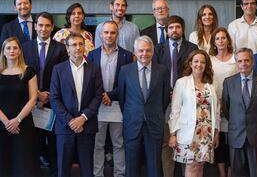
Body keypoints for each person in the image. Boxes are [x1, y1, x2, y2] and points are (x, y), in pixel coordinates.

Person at [50, 32, 104, 177]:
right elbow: (54, 99)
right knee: (63, 169)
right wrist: (70, 120)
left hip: (87, 126)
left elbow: (98, 96)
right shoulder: (58, 69)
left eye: (81, 44)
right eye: (74, 45)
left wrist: (83, 118)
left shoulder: (94, 68)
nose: (78, 48)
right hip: (64, 127)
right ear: (67, 48)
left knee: (87, 169)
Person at [22, 12, 68, 176]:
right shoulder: (25, 47)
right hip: (31, 103)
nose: (43, 28)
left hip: (53, 102)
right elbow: (23, 74)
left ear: (52, 27)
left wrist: (48, 95)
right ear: (35, 26)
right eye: (40, 25)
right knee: (33, 144)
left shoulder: (60, 48)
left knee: (54, 145)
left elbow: (63, 75)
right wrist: (37, 94)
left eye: (47, 25)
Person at [118, 35, 170, 177]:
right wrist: (133, 113)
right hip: (132, 122)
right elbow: (122, 98)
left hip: (154, 122)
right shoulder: (125, 70)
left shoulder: (162, 71)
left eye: (147, 51)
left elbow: (165, 98)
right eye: (140, 51)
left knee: (154, 164)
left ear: (153, 52)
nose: (144, 54)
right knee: (131, 163)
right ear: (134, 52)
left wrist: (155, 112)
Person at [153, 15, 198, 177]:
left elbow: (195, 73)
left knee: (185, 141)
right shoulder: (158, 49)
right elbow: (155, 75)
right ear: (166, 30)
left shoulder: (192, 48)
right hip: (164, 102)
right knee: (167, 143)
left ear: (183, 29)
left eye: (178, 27)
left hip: (187, 102)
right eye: (171, 27)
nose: (174, 30)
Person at [87, 21, 134, 177]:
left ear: (117, 35)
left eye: (112, 32)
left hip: (118, 105)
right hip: (98, 105)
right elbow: (89, 80)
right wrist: (102, 95)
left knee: (119, 143)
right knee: (98, 144)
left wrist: (111, 95)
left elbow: (129, 82)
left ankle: (119, 174)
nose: (109, 35)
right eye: (106, 32)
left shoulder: (127, 55)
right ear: (101, 35)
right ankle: (97, 174)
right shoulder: (92, 54)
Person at [222, 48, 257, 176]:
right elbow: (226, 108)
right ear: (236, 63)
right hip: (236, 134)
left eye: (246, 60)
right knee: (237, 173)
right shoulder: (229, 82)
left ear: (252, 61)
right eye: (240, 61)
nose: (243, 64)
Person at [168, 49, 220, 177]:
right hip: (189, 132)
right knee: (192, 166)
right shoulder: (182, 82)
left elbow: (217, 110)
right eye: (196, 61)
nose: (199, 64)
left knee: (200, 166)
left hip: (206, 133)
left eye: (203, 62)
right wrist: (173, 134)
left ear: (206, 65)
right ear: (190, 63)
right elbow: (175, 110)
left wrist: (216, 133)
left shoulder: (212, 84)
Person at [0, 37, 39, 176]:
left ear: (20, 51)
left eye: (15, 48)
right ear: (3, 51)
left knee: (24, 164)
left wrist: (17, 120)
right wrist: (7, 122)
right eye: (8, 48)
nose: (12, 51)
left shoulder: (29, 71)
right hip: (2, 125)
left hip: (23, 124)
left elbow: (33, 98)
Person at [209, 27, 238, 177]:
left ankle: (230, 172)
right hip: (215, 105)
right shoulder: (210, 60)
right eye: (217, 38)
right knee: (218, 142)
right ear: (214, 42)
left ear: (228, 40)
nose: (221, 41)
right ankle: (221, 173)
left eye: (223, 38)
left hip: (233, 106)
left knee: (232, 142)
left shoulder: (235, 59)